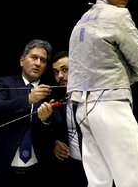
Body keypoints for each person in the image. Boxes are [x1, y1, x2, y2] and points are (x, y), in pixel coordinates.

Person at [67, 0, 138, 187]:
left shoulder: (80, 21)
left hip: (83, 111)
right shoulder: (118, 15)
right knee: (133, 181)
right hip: (110, 106)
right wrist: (122, 77)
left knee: (98, 182)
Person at [0, 39, 55, 187]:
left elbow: (58, 125)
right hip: (1, 166)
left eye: (43, 60)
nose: (38, 63)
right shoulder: (6, 83)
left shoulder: (48, 90)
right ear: (22, 61)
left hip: (38, 168)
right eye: (34, 57)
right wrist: (29, 99)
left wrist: (47, 119)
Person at [40, 51, 88, 187]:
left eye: (65, 70)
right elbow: (53, 126)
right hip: (72, 167)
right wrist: (55, 142)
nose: (60, 76)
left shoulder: (95, 94)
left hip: (99, 164)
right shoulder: (56, 97)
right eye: (56, 72)